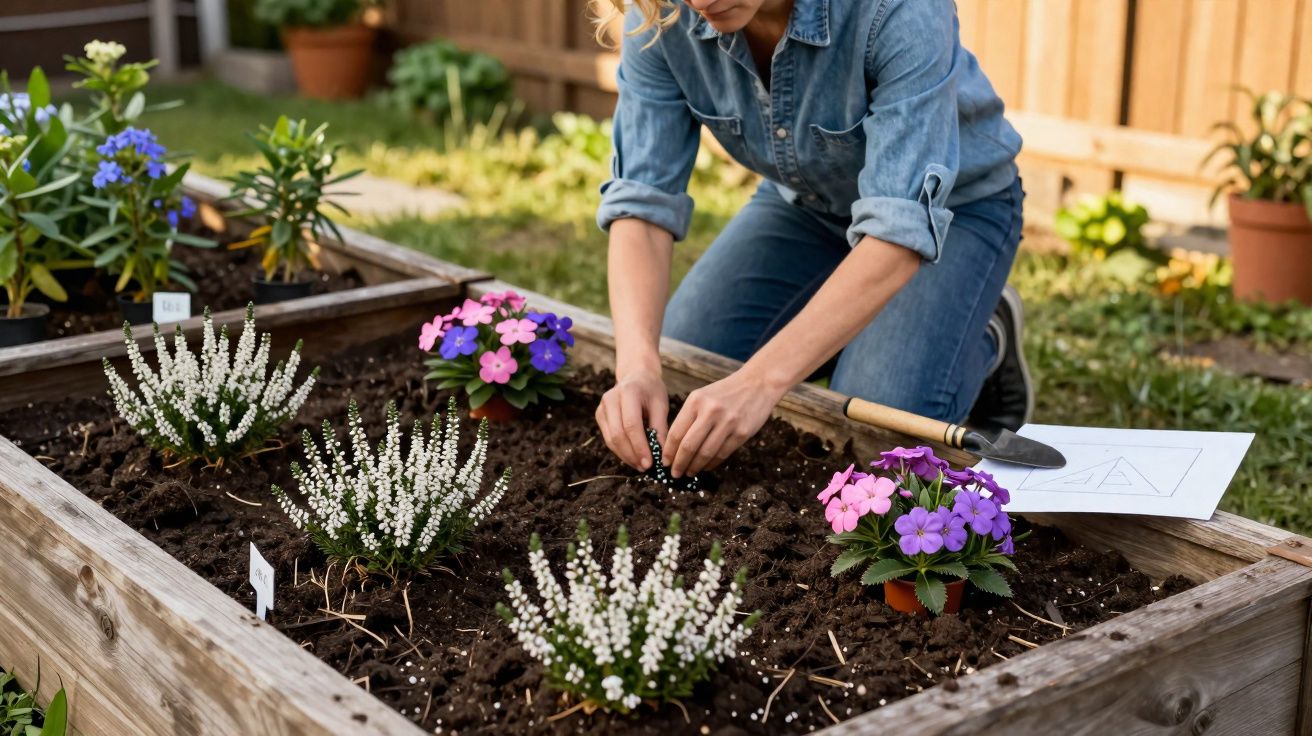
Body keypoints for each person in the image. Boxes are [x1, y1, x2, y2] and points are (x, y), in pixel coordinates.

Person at [592, 0, 1030, 481]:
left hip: (952, 214)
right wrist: (636, 367)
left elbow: (898, 230)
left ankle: (986, 337)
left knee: (875, 430)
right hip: (807, 206)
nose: (700, 2)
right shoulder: (661, 15)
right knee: (683, 374)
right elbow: (642, 202)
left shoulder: (900, 9)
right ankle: (854, 330)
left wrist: (762, 381)